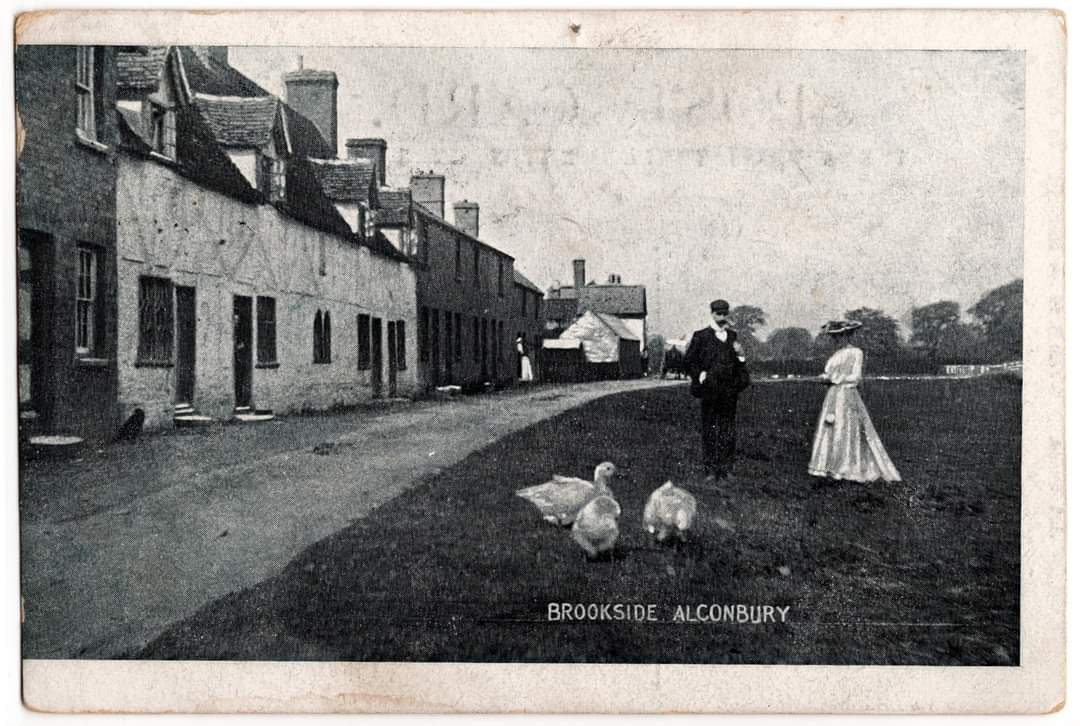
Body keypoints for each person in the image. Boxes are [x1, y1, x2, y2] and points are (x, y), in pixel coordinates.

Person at [808, 320, 901, 482]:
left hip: (847, 394)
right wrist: (825, 378)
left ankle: (846, 467)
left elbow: (855, 377)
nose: (836, 340)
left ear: (847, 336)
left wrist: (833, 378)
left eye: (839, 336)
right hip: (832, 395)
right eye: (834, 337)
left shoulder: (856, 352)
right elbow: (829, 374)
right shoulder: (835, 355)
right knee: (831, 427)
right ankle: (829, 466)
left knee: (846, 427)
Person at [683, 299, 751, 482]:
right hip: (710, 390)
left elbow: (739, 362)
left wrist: (741, 357)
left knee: (728, 429)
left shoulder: (732, 336)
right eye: (718, 313)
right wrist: (700, 375)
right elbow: (689, 361)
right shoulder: (701, 336)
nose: (722, 317)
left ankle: (726, 469)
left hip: (729, 391)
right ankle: (711, 470)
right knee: (710, 429)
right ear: (712, 314)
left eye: (724, 313)